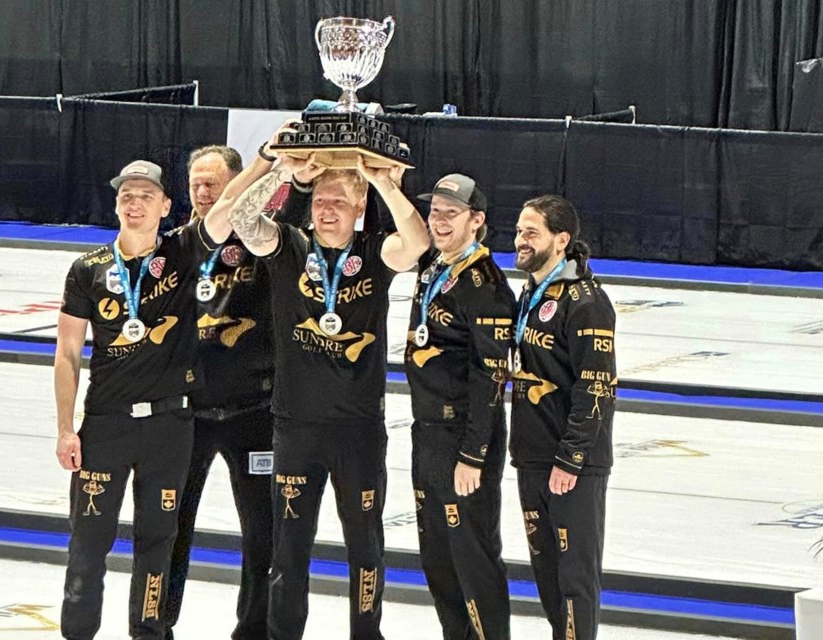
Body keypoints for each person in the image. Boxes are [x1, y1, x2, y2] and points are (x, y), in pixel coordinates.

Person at [226, 153, 430, 640]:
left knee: (365, 548)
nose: (327, 209)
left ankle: (367, 633)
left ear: (359, 207)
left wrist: (383, 183)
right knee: (289, 549)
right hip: (296, 427)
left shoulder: (375, 252)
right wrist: (284, 173)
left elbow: (418, 244)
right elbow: (241, 219)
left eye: (339, 201)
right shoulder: (290, 246)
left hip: (358, 432)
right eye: (321, 200)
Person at [164, 138, 312, 640]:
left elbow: (285, 211)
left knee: (263, 534)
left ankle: (254, 630)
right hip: (189, 414)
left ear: (234, 184)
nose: (204, 192)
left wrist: (279, 165)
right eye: (196, 183)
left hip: (254, 410)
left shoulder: (261, 238)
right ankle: (157, 625)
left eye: (213, 183)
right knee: (171, 530)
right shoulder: (176, 246)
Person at [54, 160, 208, 639]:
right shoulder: (88, 269)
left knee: (157, 543)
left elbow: (226, 210)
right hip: (106, 424)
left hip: (169, 426)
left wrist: (269, 159)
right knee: (88, 543)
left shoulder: (185, 252)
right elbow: (67, 353)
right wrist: (65, 428)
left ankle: (148, 633)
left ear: (166, 205)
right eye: (126, 194)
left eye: (145, 194)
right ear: (116, 203)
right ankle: (78, 632)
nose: (134, 201)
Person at [405, 174, 516, 640]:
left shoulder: (486, 285)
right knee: (437, 557)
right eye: (436, 211)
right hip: (426, 432)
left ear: (477, 221)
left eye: (452, 213)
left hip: (461, 439)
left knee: (472, 556)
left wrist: (474, 453)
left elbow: (491, 378)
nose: (439, 220)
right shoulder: (434, 265)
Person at [509, 194, 616, 640]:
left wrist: (570, 458)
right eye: (518, 231)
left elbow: (596, 385)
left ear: (562, 240)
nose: (520, 240)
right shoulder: (533, 289)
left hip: (571, 464)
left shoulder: (587, 301)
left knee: (575, 581)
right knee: (548, 578)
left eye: (531, 233)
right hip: (532, 454)